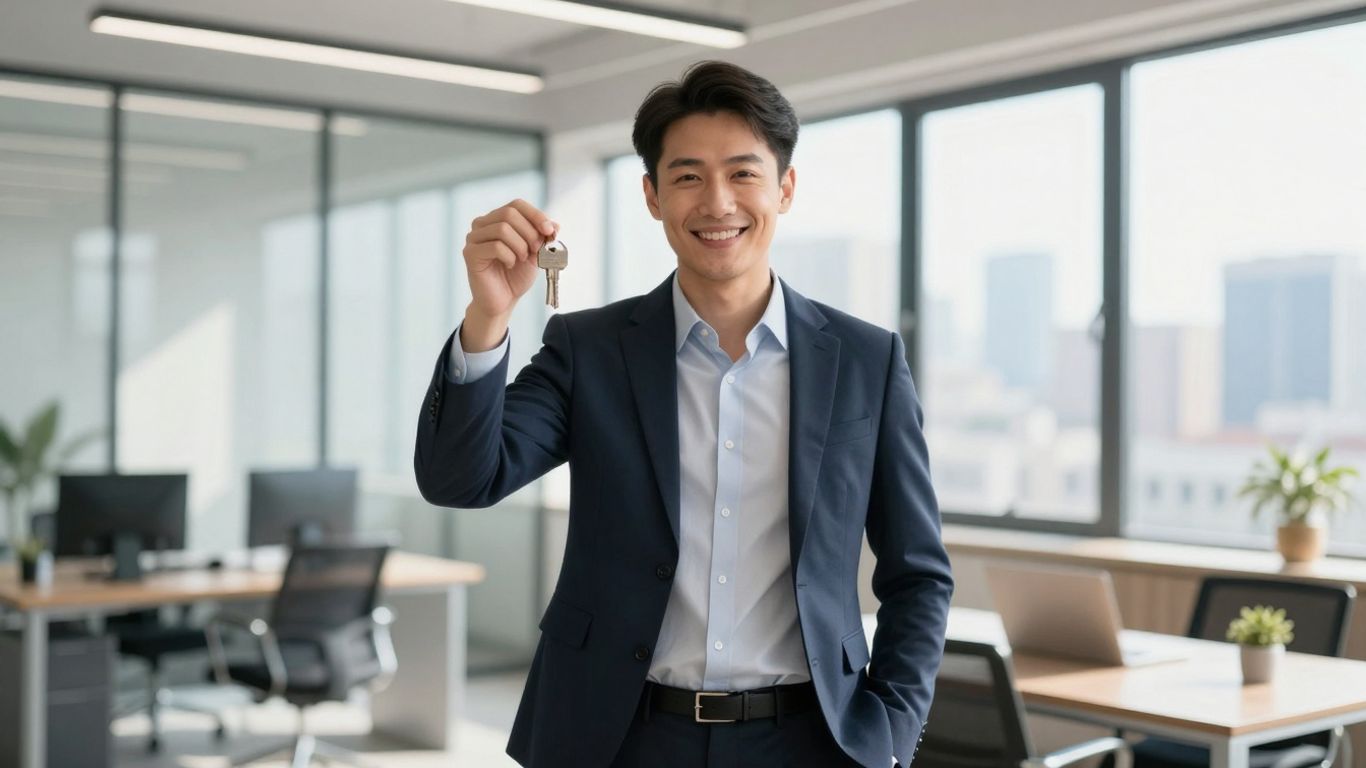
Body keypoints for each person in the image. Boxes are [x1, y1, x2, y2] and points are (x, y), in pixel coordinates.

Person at [415, 60, 953, 768]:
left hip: (810, 738)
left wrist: (890, 731)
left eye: (743, 173)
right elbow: (461, 479)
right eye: (689, 176)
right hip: (618, 736)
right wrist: (489, 317)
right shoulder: (591, 350)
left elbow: (917, 572)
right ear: (652, 195)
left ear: (785, 188)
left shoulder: (866, 361)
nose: (718, 203)